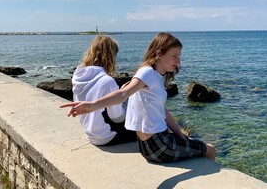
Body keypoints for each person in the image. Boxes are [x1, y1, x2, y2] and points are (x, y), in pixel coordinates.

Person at [61, 32, 215, 162]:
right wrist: (92, 105)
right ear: (159, 54)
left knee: (191, 143)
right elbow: (122, 94)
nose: (178, 61)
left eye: (179, 56)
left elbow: (162, 110)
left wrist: (181, 136)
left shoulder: (155, 75)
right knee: (210, 149)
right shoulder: (147, 73)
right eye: (174, 56)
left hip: (151, 144)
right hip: (159, 144)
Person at [71, 36, 137, 146]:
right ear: (111, 56)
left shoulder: (77, 75)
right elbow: (117, 118)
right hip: (108, 136)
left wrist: (119, 92)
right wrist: (126, 98)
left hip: (90, 134)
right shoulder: (107, 81)